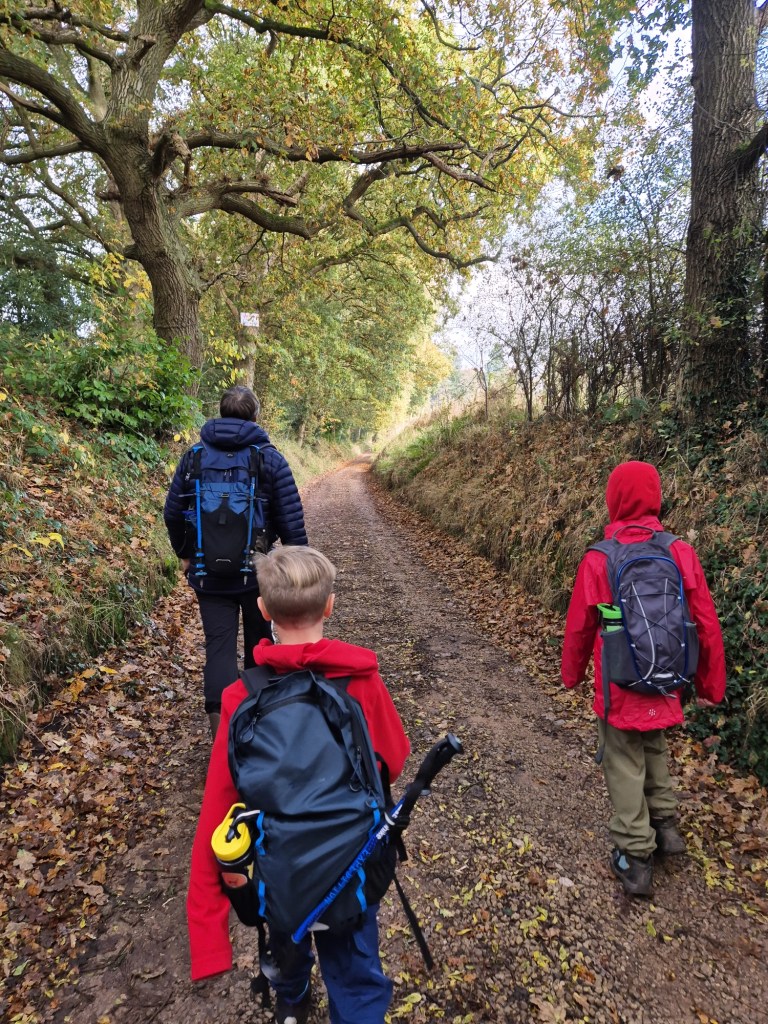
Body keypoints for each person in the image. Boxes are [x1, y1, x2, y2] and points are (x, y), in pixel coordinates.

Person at [186, 545, 410, 1024]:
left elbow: (218, 808)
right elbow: (393, 759)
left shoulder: (240, 697)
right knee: (356, 972)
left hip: (278, 872)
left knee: (286, 942)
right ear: (330, 606)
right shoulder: (362, 682)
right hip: (350, 869)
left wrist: (207, 934)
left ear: (263, 611)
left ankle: (292, 999)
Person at [560, 460, 726, 897]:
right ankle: (666, 826)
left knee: (623, 758)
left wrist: (571, 675)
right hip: (668, 677)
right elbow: (706, 621)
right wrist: (710, 684)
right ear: (655, 497)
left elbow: (580, 625)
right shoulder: (679, 551)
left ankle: (635, 856)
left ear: (613, 500)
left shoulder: (600, 558)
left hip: (620, 685)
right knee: (654, 744)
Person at [164, 386, 307, 739]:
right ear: (255, 417)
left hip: (208, 574)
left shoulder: (194, 456)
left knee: (218, 648)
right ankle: (257, 729)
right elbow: (291, 521)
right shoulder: (270, 458)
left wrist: (184, 553)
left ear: (220, 412)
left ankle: (222, 734)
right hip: (257, 573)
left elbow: (173, 512)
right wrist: (298, 570)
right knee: (260, 641)